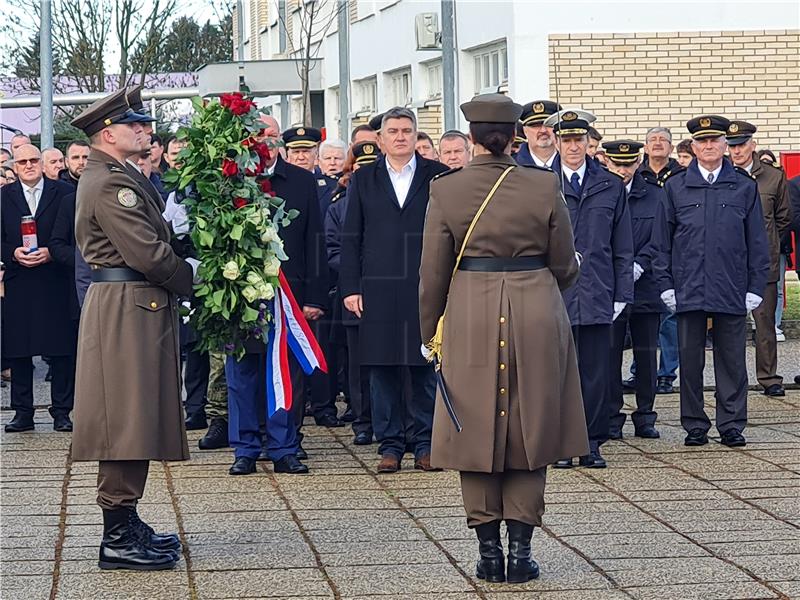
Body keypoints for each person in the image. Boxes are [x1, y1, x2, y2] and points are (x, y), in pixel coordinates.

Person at [419, 93, 588, 584]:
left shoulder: (446, 190)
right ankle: (521, 549)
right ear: (515, 135)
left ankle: (487, 551)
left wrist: (430, 333)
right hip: (537, 307)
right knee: (530, 426)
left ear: (471, 137)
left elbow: (432, 274)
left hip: (470, 308)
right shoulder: (543, 184)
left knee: (473, 426)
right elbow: (563, 262)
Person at [69, 88, 194, 570]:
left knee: (135, 416)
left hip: (135, 301)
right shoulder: (107, 182)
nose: (145, 131)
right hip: (126, 304)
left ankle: (126, 521)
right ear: (109, 133)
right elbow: (146, 251)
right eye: (135, 126)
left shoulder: (117, 174)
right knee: (123, 419)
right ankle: (116, 535)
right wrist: (194, 277)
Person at [340, 107, 449, 473]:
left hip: (425, 284)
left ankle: (425, 443)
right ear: (381, 138)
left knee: (423, 365)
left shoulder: (438, 176)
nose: (400, 137)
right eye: (393, 131)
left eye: (407, 130)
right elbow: (351, 235)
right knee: (383, 367)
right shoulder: (365, 179)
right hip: (378, 285)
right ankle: (390, 444)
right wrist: (351, 287)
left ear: (417, 137)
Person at [222, 115, 328, 474]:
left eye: (269, 133)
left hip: (289, 294)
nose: (263, 140)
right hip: (239, 292)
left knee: (284, 372)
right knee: (242, 371)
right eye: (256, 134)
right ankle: (246, 447)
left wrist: (315, 296)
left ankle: (284, 446)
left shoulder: (300, 180)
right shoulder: (231, 179)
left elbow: (315, 239)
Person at [655, 114, 769, 448]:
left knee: (732, 359)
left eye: (715, 141)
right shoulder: (676, 186)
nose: (708, 146)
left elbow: (757, 243)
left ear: (725, 146)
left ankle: (731, 424)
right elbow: (662, 242)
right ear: (692, 146)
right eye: (702, 141)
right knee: (690, 358)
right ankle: (694, 424)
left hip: (731, 284)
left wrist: (754, 286)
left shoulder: (743, 186)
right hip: (687, 285)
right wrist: (665, 284)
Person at [552, 110, 633, 469]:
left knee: (596, 373)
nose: (572, 146)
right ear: (556, 142)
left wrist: (622, 293)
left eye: (578, 140)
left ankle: (591, 442)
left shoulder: (609, 184)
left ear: (589, 143)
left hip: (598, 290)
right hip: (554, 293)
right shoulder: (542, 182)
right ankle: (558, 443)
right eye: (566, 140)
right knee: (555, 373)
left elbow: (622, 245)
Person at [1, 144, 77, 433]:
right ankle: (22, 412)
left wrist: (51, 251)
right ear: (14, 166)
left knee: (61, 347)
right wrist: (12, 253)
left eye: (34, 160)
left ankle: (62, 410)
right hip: (20, 279)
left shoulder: (64, 193)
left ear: (43, 163)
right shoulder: (3, 196)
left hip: (55, 277)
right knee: (19, 348)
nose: (29, 165)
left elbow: (74, 236)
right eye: (23, 162)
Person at [603, 140, 666, 440]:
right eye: (617, 165)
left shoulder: (655, 195)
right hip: (611, 287)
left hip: (646, 287)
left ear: (637, 163)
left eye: (628, 165)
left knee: (645, 355)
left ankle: (645, 416)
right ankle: (613, 417)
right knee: (610, 355)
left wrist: (639, 264)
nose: (623, 171)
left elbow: (661, 237)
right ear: (607, 162)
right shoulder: (602, 192)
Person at [727, 120, 792, 397]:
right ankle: (732, 380)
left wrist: (765, 243)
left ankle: (769, 378)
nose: (736, 150)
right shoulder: (721, 175)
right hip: (728, 264)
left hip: (762, 263)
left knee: (764, 324)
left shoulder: (773, 176)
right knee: (728, 326)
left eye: (741, 144)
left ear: (752, 145)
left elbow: (784, 218)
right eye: (732, 146)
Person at [282, 126, 342, 429]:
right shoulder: (276, 185)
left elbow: (322, 242)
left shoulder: (328, 187)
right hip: (285, 283)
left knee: (318, 349)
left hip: (316, 281)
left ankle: (323, 405)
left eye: (306, 152)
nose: (301, 156)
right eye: (296, 152)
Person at [325, 142, 380, 445]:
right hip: (353, 291)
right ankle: (363, 420)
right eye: (361, 166)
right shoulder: (338, 207)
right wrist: (356, 275)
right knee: (358, 363)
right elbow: (332, 249)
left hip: (386, 290)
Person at [514, 100, 562, 169]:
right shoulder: (513, 166)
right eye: (536, 125)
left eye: (549, 125)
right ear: (525, 131)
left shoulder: (573, 162)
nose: (543, 130)